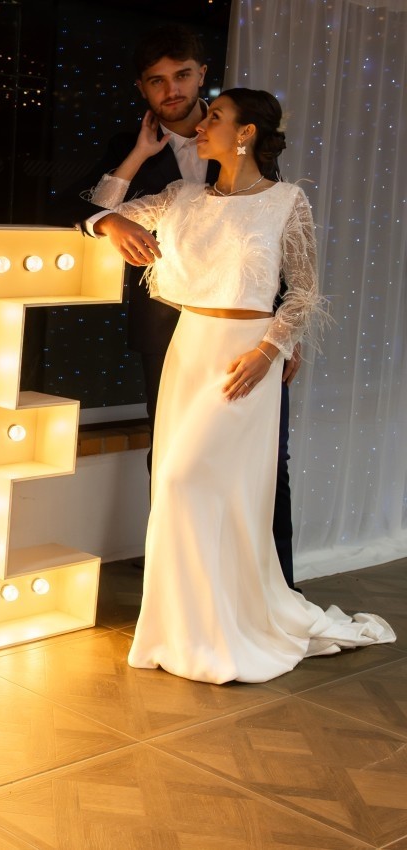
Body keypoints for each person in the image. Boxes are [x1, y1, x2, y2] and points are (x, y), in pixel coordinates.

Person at [86, 88, 395, 683]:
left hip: (245, 359)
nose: (202, 126)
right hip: (189, 351)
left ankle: (229, 628)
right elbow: (103, 210)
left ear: (246, 132)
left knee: (197, 485)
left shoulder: (287, 202)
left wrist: (270, 350)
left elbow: (305, 290)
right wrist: (134, 156)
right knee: (182, 488)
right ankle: (185, 630)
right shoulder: (182, 196)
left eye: (216, 117)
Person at [64, 25, 299, 587]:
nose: (171, 90)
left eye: (182, 75)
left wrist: (287, 338)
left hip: (253, 334)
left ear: (201, 74)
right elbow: (77, 211)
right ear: (143, 89)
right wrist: (118, 206)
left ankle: (275, 588)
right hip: (169, 328)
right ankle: (180, 585)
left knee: (267, 461)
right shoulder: (133, 149)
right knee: (171, 458)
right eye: (156, 81)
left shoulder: (245, 140)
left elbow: (277, 251)